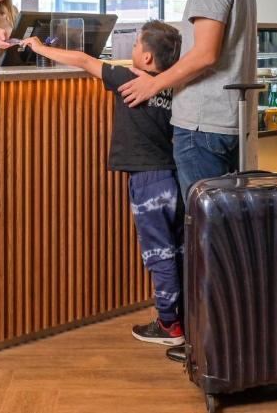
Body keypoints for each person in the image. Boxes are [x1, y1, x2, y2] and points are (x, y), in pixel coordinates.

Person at [119, 0, 257, 363]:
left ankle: (203, 340)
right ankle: (219, 334)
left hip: (201, 125)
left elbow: (205, 52)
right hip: (226, 124)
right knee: (219, 232)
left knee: (202, 236)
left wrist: (155, 84)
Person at [21, 21, 186, 347]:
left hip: (147, 181)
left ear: (148, 58)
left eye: (136, 46)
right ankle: (185, 315)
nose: (132, 51)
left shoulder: (129, 80)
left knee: (158, 254)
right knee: (177, 250)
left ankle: (170, 325)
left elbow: (84, 61)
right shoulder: (172, 87)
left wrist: (39, 48)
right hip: (173, 178)